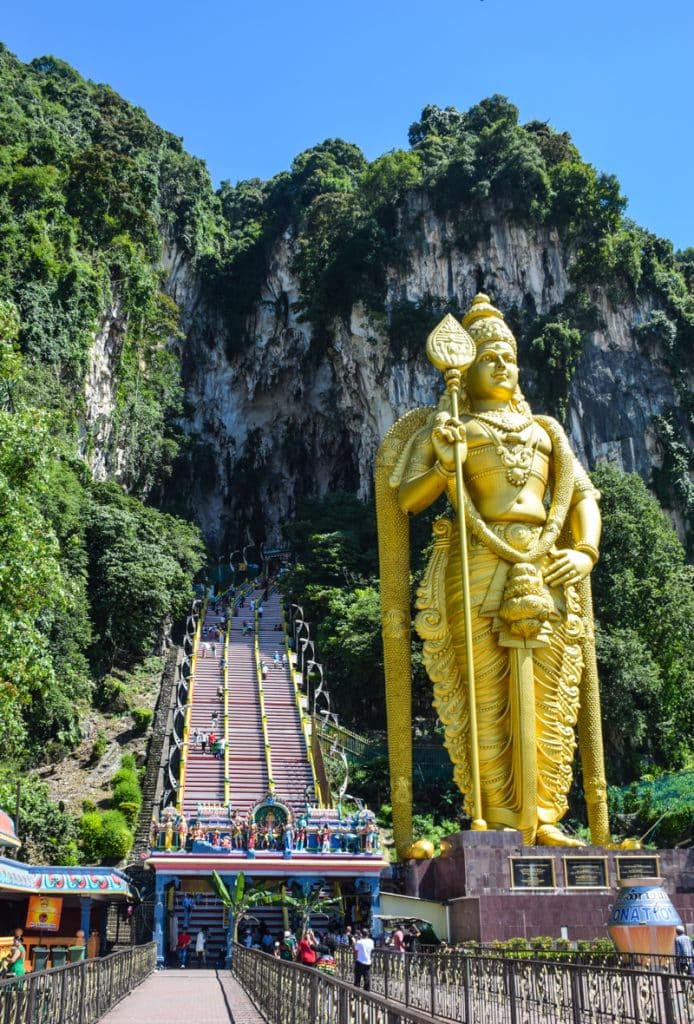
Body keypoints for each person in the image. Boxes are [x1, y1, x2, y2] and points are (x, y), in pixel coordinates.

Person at [379, 294, 611, 850]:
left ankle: (546, 816)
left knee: (551, 693)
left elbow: (582, 497)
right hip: (476, 563)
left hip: (546, 562)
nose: (503, 365)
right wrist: (444, 464)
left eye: (509, 356)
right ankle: (500, 817)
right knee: (484, 697)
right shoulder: (452, 426)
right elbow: (406, 499)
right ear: (467, 367)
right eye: (489, 357)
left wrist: (585, 551)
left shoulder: (547, 431)